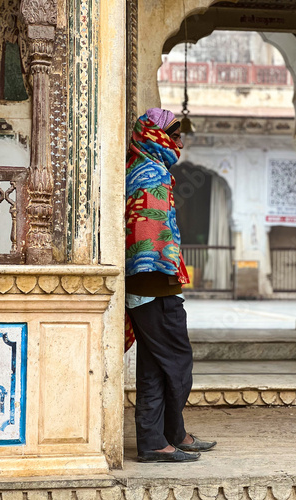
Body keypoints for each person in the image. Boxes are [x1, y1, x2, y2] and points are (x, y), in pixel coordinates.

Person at [125, 108, 217, 463]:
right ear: (156, 136)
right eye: (174, 135)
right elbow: (147, 232)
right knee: (178, 362)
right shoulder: (151, 173)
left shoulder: (146, 167)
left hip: (150, 285)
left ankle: (164, 437)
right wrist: (159, 275)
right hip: (153, 286)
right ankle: (159, 438)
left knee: (155, 365)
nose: (179, 142)